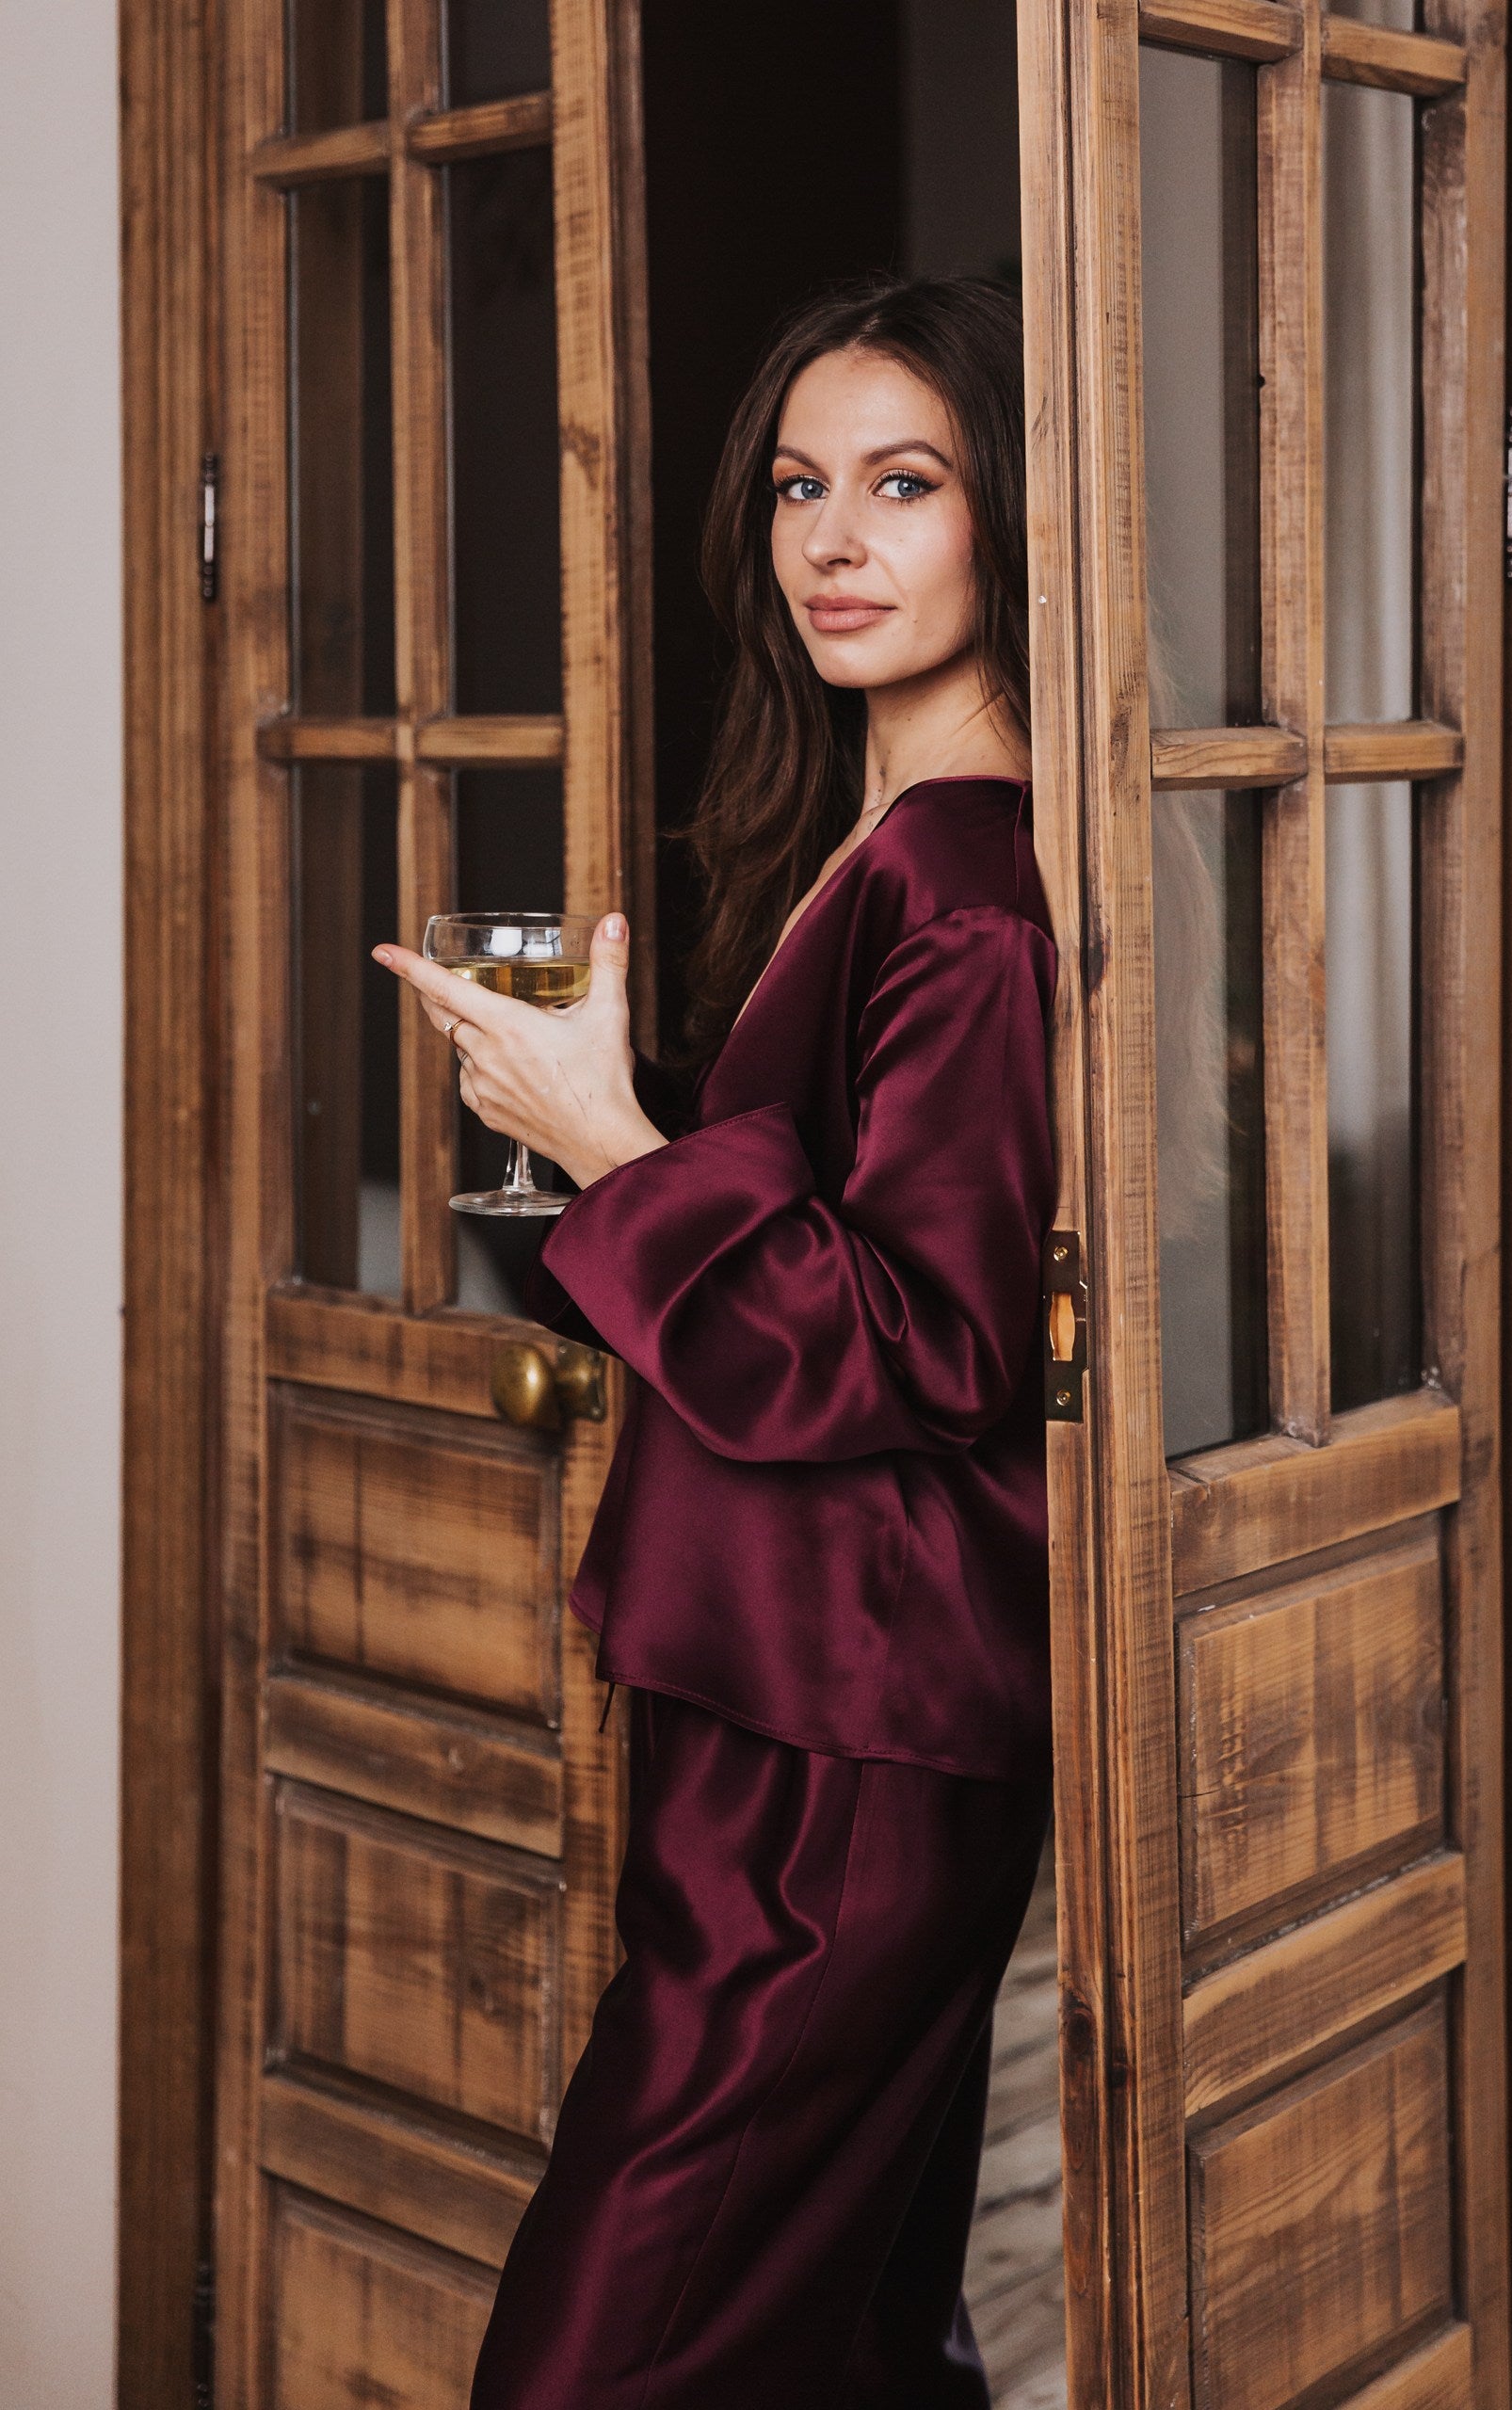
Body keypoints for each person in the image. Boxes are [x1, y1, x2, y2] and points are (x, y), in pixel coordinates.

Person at [376, 276, 1059, 2409]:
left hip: (852, 1720)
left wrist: (611, 1146)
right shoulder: (873, 839)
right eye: (794, 487)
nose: (830, 540)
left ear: (1008, 511)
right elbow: (832, 1219)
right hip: (794, 1691)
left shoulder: (967, 887)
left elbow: (926, 1339)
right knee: (834, 2329)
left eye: (903, 484)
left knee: (601, 2360)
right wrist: (596, 1113)